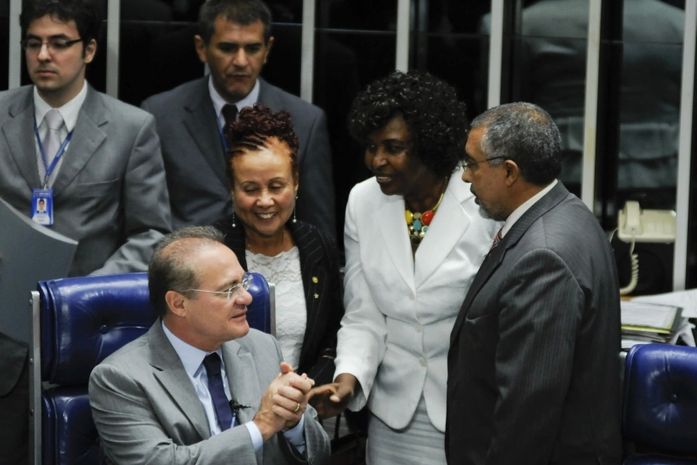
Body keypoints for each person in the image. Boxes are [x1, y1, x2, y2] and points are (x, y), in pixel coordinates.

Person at [310, 71, 497, 464]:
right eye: (371, 146)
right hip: (392, 414)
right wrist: (347, 379)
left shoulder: (481, 200)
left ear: (429, 145)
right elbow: (363, 313)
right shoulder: (363, 201)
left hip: (469, 409)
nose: (376, 160)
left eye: (393, 147)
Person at [446, 102, 622, 465]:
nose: (465, 177)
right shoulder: (568, 210)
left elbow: (527, 413)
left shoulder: (543, 258)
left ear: (509, 172)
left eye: (472, 164)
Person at [89, 226, 330, 465]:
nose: (247, 297)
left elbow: (320, 455)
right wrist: (260, 428)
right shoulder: (119, 378)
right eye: (228, 290)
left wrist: (294, 423)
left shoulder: (262, 346)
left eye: (243, 282)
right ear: (178, 304)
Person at [0, 0, 171, 276]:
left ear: (89, 50)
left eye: (59, 44)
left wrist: (90, 290)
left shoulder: (131, 128)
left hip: (88, 292)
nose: (43, 55)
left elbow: (150, 234)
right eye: (33, 44)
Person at [141, 0, 335, 239]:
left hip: (270, 257)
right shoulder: (161, 115)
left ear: (267, 49)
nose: (241, 61)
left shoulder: (305, 121)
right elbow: (149, 223)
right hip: (187, 256)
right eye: (227, 48)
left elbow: (319, 233)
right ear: (202, 48)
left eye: (252, 49)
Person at [213, 104, 343, 386]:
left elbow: (331, 340)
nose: (265, 201)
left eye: (276, 186)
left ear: (296, 183)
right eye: (250, 189)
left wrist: (304, 391)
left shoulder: (319, 246)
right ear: (231, 189)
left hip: (304, 402)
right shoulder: (209, 251)